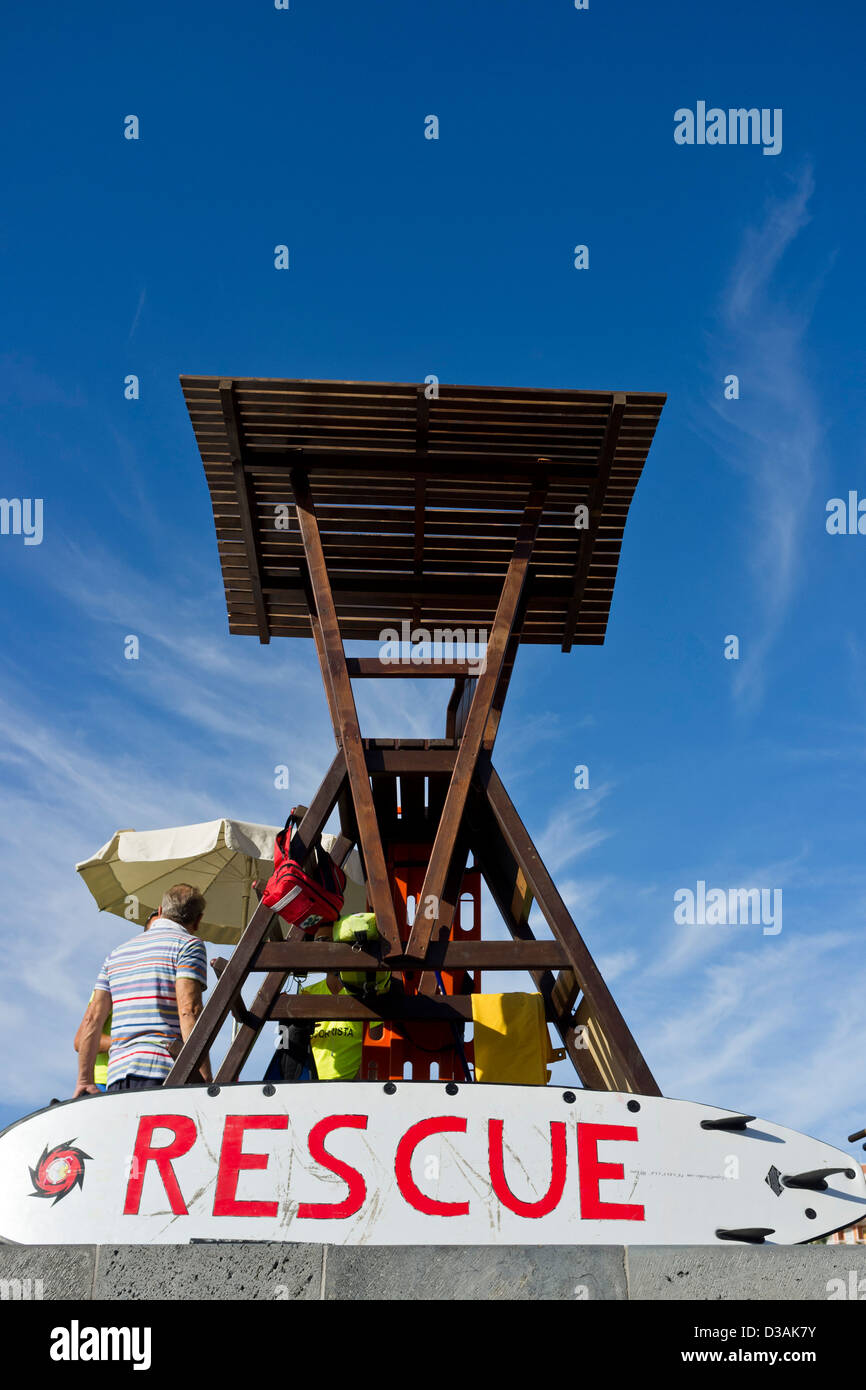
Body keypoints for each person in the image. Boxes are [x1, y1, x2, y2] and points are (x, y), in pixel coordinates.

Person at [73, 885, 211, 1097]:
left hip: (117, 1076)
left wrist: (84, 1080)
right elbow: (189, 1011)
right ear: (198, 920)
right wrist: (204, 1077)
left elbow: (92, 1019)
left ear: (160, 910)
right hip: (163, 1070)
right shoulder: (189, 945)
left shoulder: (116, 954)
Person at [72, 910, 159, 1092]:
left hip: (154, 1075)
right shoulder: (120, 978)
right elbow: (80, 1041)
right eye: (154, 931)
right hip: (107, 1081)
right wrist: (130, 1042)